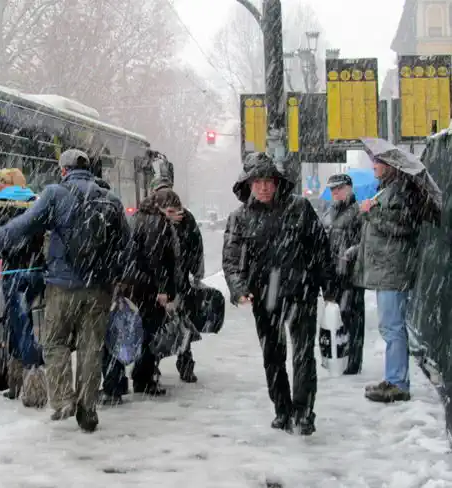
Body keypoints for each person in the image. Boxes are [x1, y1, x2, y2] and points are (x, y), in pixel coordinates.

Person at [0, 149, 129, 432]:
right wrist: (117, 280)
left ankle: (63, 398)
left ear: (64, 170)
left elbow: (23, 226)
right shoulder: (110, 200)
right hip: (98, 289)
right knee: (92, 348)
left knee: (55, 342)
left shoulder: (56, 195)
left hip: (62, 287)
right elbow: (126, 247)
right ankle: (87, 408)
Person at [222, 152, 336, 435]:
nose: (263, 187)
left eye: (267, 181)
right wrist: (239, 290)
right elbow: (232, 258)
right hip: (265, 295)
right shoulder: (240, 218)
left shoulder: (299, 208)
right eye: (257, 181)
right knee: (273, 356)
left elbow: (320, 250)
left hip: (301, 291)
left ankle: (304, 411)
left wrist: (329, 287)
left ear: (276, 182)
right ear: (248, 184)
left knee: (302, 355)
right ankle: (282, 410)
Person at [352, 158, 423, 403]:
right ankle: (393, 378)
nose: (373, 166)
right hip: (387, 270)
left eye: (377, 162)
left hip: (393, 271)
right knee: (389, 327)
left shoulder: (401, 191)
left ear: (390, 166)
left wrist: (371, 211)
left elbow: (403, 226)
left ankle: (397, 383)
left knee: (393, 328)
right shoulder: (389, 189)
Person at [102, 188, 180, 402]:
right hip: (147, 290)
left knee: (124, 332)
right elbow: (158, 260)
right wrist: (163, 289)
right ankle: (142, 379)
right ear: (163, 208)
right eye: (173, 210)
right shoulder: (157, 223)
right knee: (148, 335)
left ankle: (120, 383)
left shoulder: (138, 217)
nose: (176, 215)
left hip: (131, 286)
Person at [0, 168, 47, 408]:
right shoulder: (35, 202)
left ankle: (33, 385)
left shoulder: (1, 205)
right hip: (36, 272)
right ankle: (15, 382)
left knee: (21, 327)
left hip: (14, 274)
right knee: (16, 324)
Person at [150, 178, 204, 382]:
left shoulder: (156, 215)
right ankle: (186, 366)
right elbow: (197, 245)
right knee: (182, 323)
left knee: (157, 326)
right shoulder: (185, 215)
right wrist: (196, 274)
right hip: (180, 280)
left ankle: (152, 367)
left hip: (162, 281)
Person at [322, 173, 364, 375]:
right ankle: (337, 355)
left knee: (352, 319)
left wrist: (351, 253)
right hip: (333, 274)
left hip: (351, 275)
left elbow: (365, 242)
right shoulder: (329, 212)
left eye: (339, 188)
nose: (335, 192)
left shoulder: (358, 212)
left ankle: (352, 362)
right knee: (336, 317)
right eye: (332, 189)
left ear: (349, 188)